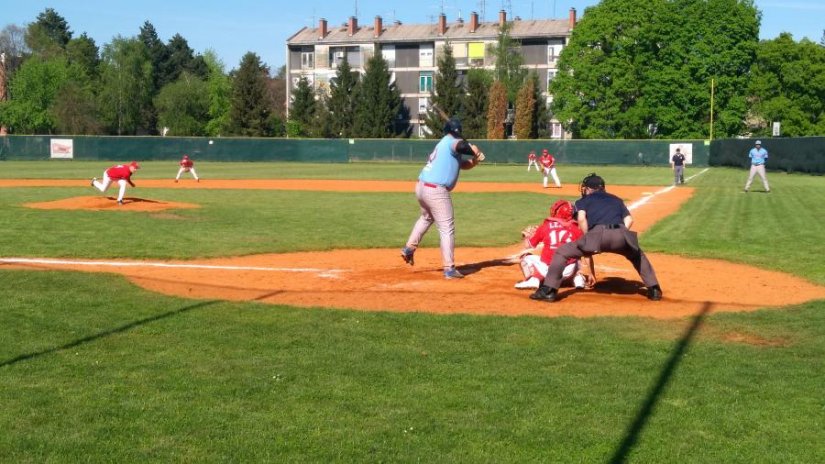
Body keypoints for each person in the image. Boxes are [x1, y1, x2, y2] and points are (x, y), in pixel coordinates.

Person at [530, 173, 663, 302]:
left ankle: (549, 291)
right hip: (621, 234)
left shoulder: (583, 200)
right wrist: (618, 234)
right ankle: (654, 289)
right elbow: (629, 220)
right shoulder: (616, 199)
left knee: (562, 252)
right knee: (638, 255)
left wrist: (590, 236)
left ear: (588, 189)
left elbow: (581, 218)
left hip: (596, 235)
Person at [401, 117, 484, 279]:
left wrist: (473, 161)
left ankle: (409, 248)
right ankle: (449, 269)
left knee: (426, 218)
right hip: (436, 190)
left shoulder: (443, 143)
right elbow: (461, 146)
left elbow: (460, 165)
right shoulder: (452, 141)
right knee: (447, 228)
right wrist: (474, 150)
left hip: (422, 186)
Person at [515, 199, 587, 290]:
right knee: (577, 255)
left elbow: (528, 245)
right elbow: (586, 248)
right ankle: (578, 279)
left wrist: (526, 236)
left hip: (548, 270)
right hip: (568, 270)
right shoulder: (576, 228)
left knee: (525, 257)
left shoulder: (545, 226)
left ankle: (534, 280)